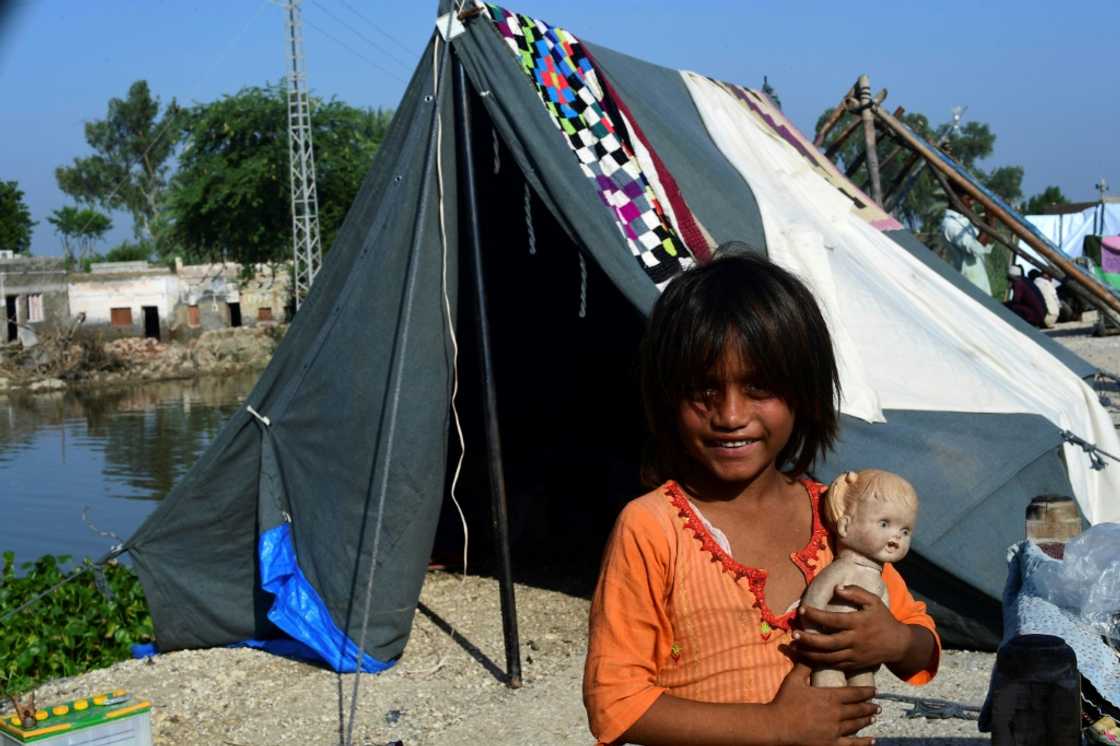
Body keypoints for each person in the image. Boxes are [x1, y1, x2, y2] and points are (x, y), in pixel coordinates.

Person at [583, 249, 940, 746]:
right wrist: (774, 727)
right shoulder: (653, 528)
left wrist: (894, 640)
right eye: (703, 389)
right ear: (666, 395)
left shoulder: (838, 515)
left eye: (758, 387)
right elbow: (614, 704)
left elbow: (921, 640)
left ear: (806, 392)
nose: (730, 414)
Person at [940, 197, 994, 295]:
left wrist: (990, 219)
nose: (972, 202)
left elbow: (986, 244)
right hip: (971, 285)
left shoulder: (964, 221)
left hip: (979, 284)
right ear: (956, 197)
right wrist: (989, 220)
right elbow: (976, 248)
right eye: (968, 199)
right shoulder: (951, 224)